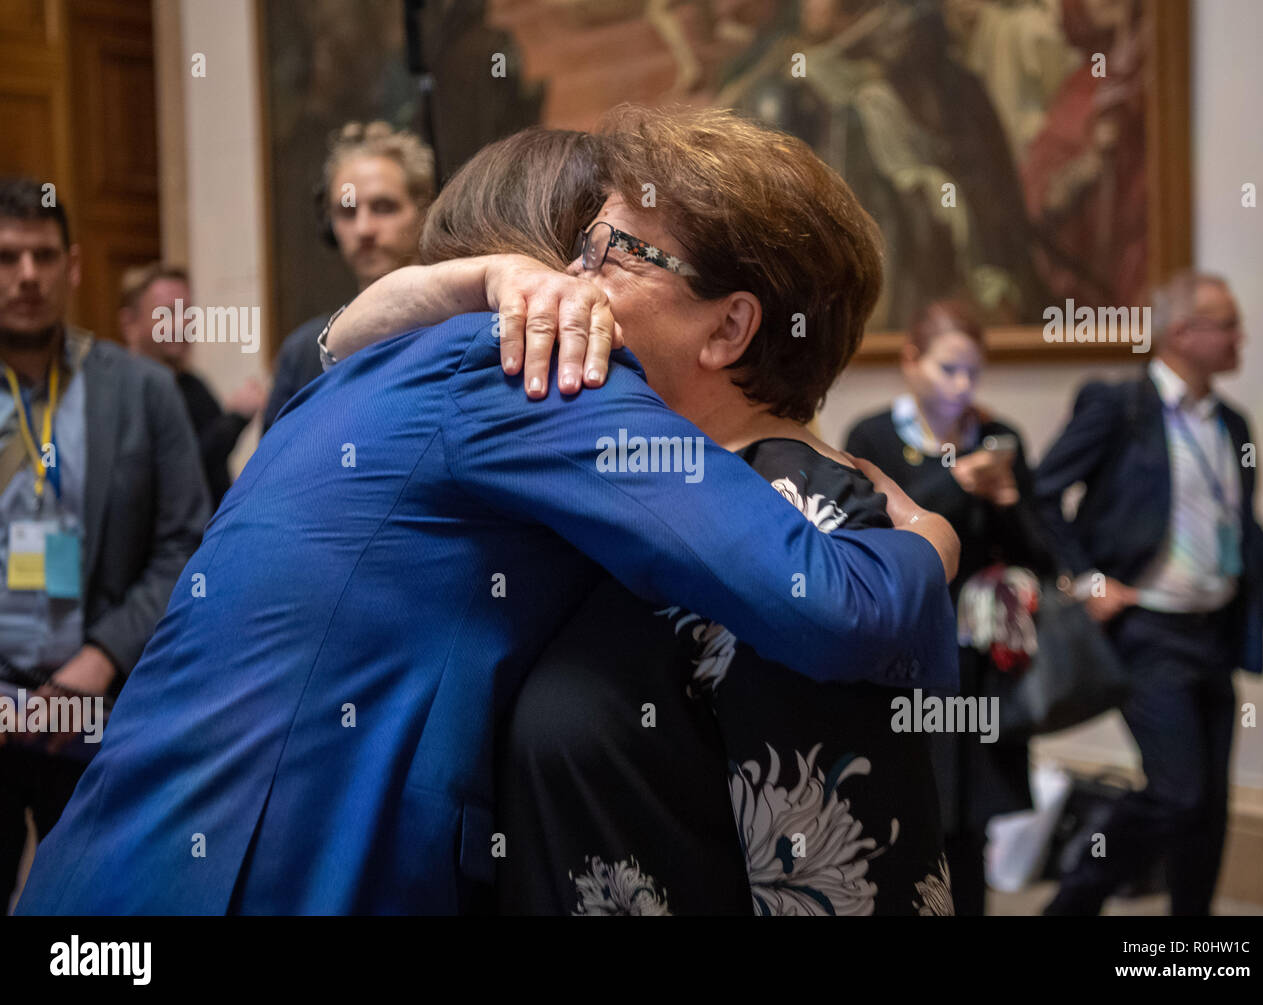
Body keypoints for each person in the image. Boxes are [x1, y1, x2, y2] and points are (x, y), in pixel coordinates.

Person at [17, 117, 958, 916]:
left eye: (616, 251)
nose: (589, 282)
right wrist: (934, 538)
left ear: (731, 325)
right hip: (237, 875)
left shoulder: (392, 369)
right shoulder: (520, 368)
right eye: (583, 251)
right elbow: (837, 605)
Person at [328, 108, 959, 916]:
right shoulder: (628, 490)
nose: (569, 282)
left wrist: (933, 545)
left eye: (608, 254)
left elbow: (851, 879)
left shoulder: (810, 524)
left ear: (729, 326)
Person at [1036, 270, 1263, 916]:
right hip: (1147, 631)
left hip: (1215, 628)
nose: (1242, 337)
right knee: (1176, 792)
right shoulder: (1119, 406)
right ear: (1183, 332)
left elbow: (1239, 515)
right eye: (1228, 323)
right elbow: (1043, 494)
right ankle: (1073, 901)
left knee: (1209, 804)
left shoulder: (1231, 423)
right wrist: (1087, 578)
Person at [0, 179, 209, 911]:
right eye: (7, 257)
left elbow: (186, 542)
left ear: (74, 265)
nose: (27, 275)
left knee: (96, 919)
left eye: (44, 256)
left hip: (102, 710)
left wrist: (99, 658)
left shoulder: (147, 392)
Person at [845, 300, 1057, 915]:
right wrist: (959, 482)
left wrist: (1011, 497)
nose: (962, 387)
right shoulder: (873, 436)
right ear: (911, 362)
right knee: (910, 809)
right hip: (907, 654)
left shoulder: (1001, 437)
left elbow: (1041, 555)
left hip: (983, 658)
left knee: (973, 820)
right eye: (948, 370)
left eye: (973, 373)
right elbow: (878, 537)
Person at [262, 121, 433, 431]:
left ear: (424, 211)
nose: (364, 229)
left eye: (384, 207)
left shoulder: (458, 327)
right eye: (347, 211)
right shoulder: (303, 352)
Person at [118, 262, 266, 507]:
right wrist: (234, 418)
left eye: (186, 312)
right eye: (166, 314)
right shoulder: (122, 393)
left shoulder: (195, 386)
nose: (181, 324)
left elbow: (212, 470)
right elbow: (177, 471)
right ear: (130, 325)